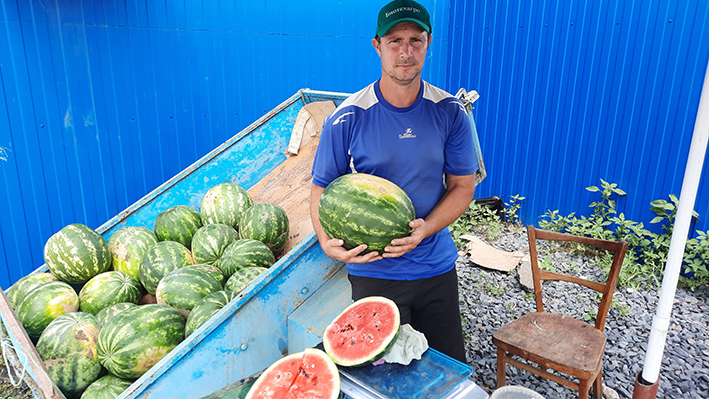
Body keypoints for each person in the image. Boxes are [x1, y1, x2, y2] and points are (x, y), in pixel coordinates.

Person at [309, 0, 478, 364]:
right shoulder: (347, 118)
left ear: (428, 43)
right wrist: (326, 242)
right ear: (377, 46)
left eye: (415, 40)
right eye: (395, 40)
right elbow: (322, 187)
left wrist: (425, 229)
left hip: (436, 268)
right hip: (373, 273)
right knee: (380, 379)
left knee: (446, 372)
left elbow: (463, 186)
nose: (405, 52)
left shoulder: (450, 112)